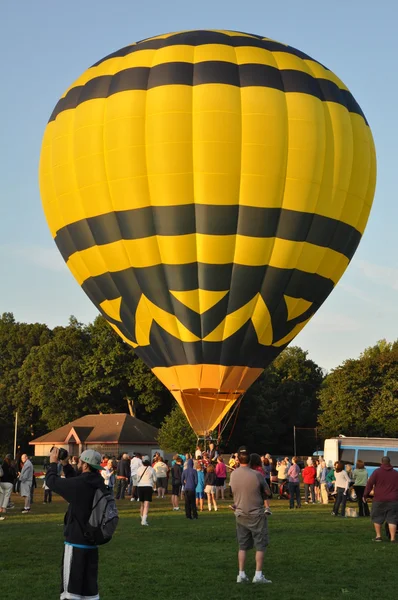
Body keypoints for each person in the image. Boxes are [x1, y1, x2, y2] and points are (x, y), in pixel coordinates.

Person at [46, 447, 107, 600]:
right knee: (89, 593)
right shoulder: (98, 483)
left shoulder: (81, 484)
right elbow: (76, 482)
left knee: (70, 593)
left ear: (85, 465)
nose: (78, 463)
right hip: (92, 543)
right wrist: (66, 464)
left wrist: (53, 463)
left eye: (79, 461)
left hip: (76, 544)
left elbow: (52, 481)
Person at [230, 447, 272, 584]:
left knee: (242, 546)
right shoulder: (256, 475)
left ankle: (241, 574)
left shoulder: (233, 474)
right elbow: (268, 491)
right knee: (260, 545)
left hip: (240, 513)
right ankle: (258, 575)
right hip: (256, 514)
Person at [363, 456, 398, 542]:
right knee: (392, 519)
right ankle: (393, 538)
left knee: (377, 517)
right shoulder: (396, 473)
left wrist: (365, 495)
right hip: (393, 499)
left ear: (381, 462)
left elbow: (369, 484)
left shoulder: (377, 472)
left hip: (379, 499)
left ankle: (378, 536)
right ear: (390, 462)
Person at [137, 455, 157, 526]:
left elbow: (137, 478)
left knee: (142, 504)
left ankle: (142, 518)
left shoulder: (139, 469)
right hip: (148, 486)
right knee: (146, 504)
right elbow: (155, 479)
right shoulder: (151, 469)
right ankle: (144, 520)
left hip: (140, 486)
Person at [0, 455, 16, 520]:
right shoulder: (11, 466)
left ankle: (0, 507)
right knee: (6, 496)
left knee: (1, 496)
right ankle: (3, 508)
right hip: (9, 483)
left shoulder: (2, 465)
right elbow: (14, 475)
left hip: (1, 483)